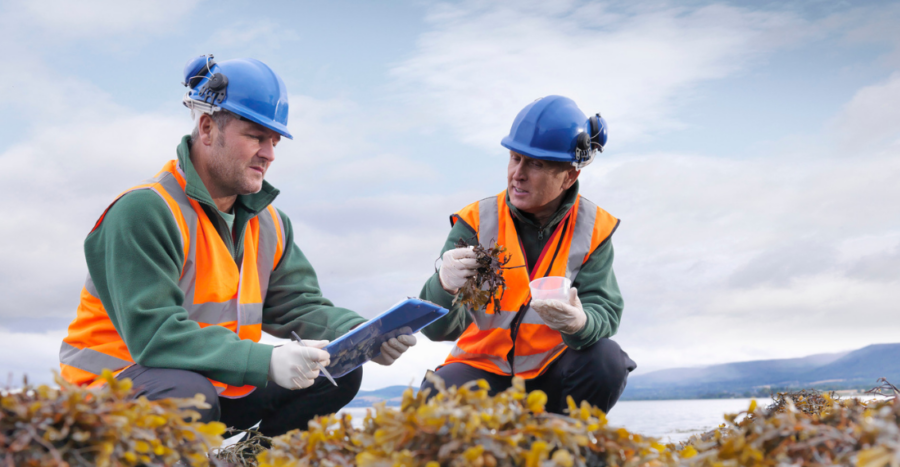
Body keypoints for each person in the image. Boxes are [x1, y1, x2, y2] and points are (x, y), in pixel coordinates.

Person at [59, 55, 415, 436]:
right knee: (189, 394)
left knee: (333, 370)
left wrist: (365, 335)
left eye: (274, 141)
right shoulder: (145, 210)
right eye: (256, 137)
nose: (270, 154)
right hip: (109, 390)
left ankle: (255, 463)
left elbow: (300, 305)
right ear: (207, 128)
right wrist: (266, 361)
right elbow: (156, 335)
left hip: (208, 380)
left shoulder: (270, 224)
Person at [418, 95, 636, 413]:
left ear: (569, 176)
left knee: (607, 360)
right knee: (436, 394)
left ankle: (566, 439)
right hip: (482, 368)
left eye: (536, 164)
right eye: (515, 158)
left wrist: (581, 324)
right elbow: (437, 330)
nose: (517, 174)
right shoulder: (476, 221)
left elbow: (604, 309)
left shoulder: (593, 228)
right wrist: (443, 285)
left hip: (554, 372)